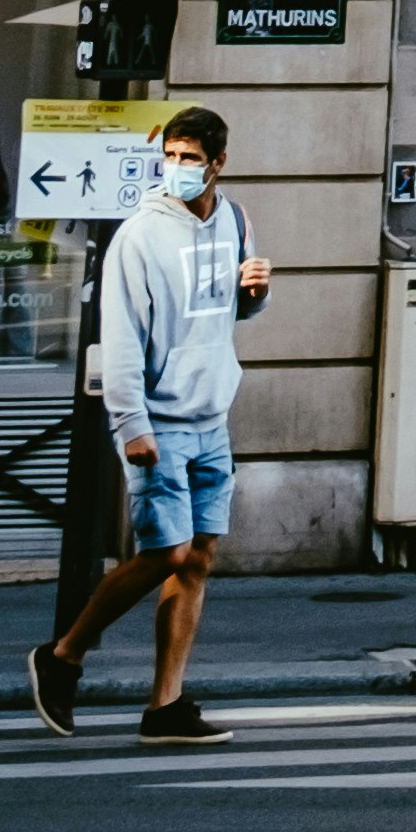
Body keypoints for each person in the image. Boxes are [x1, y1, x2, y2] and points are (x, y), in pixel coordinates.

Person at [30, 103, 266, 747]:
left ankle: (165, 705)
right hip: (157, 419)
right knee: (165, 551)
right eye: (172, 155)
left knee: (198, 559)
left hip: (211, 414)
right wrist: (131, 423)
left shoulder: (237, 221)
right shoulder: (139, 235)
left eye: (192, 159)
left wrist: (254, 293)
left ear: (218, 164)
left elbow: (226, 316)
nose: (178, 168)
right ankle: (65, 653)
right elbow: (124, 339)